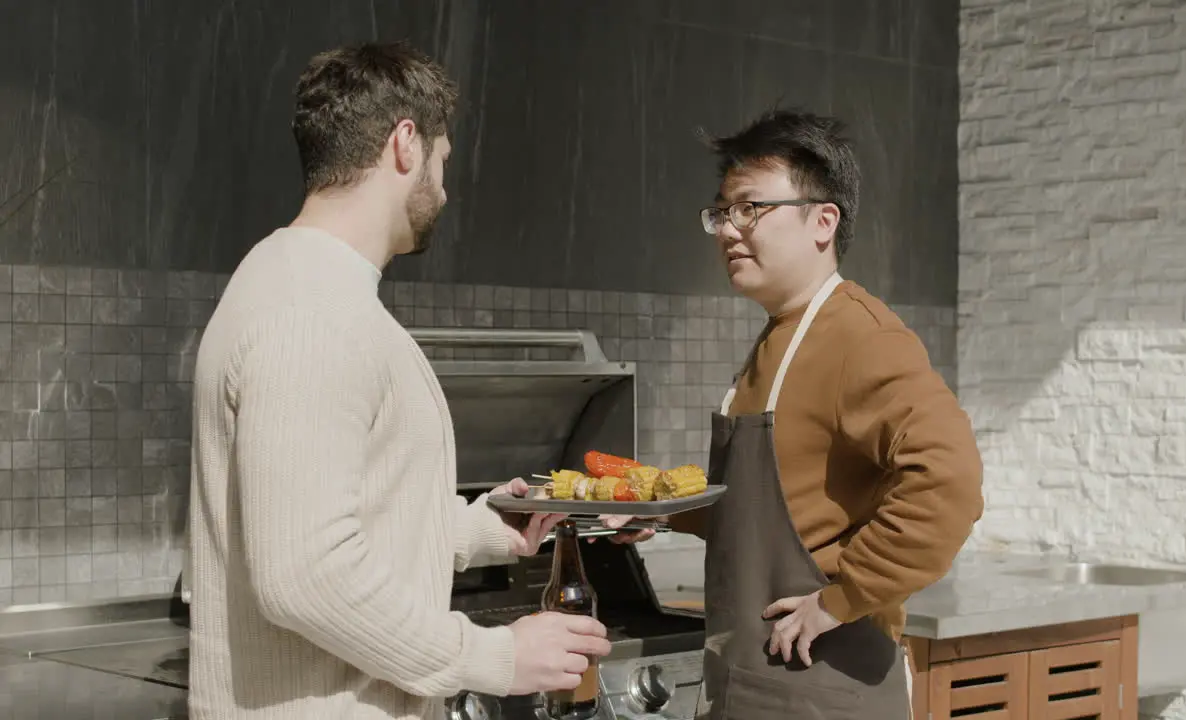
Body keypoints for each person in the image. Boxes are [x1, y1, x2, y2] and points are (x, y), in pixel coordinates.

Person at [185, 41, 610, 720]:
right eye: (443, 162)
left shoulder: (315, 293)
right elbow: (306, 574)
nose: (445, 187)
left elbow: (353, 510)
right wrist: (494, 658)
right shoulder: (311, 313)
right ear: (405, 146)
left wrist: (488, 528)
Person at [605, 109, 984, 719]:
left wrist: (840, 599)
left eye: (751, 208)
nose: (730, 230)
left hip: (826, 687)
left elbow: (951, 482)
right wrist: (669, 511)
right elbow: (789, 500)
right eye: (723, 212)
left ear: (822, 221)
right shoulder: (778, 339)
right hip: (754, 682)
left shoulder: (862, 337)